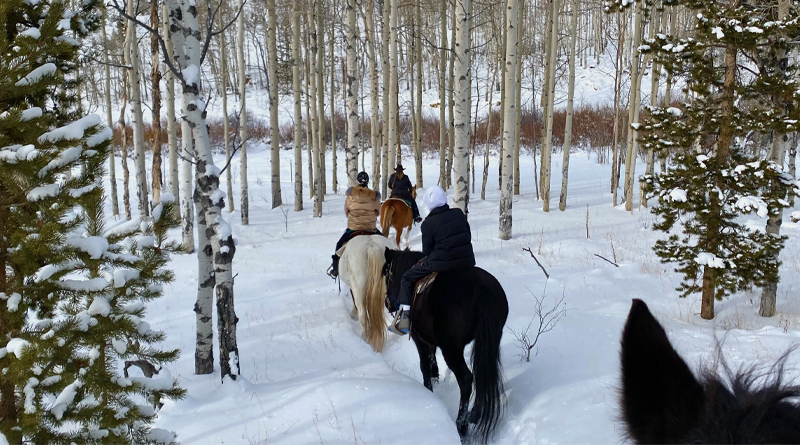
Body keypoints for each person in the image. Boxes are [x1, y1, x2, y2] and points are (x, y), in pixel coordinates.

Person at [389, 185, 475, 335]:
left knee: (407, 278)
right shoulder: (459, 213)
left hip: (440, 265)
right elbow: (467, 235)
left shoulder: (428, 223)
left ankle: (405, 318)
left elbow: (427, 252)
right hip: (466, 261)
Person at [327, 172, 382, 279]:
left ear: (357, 181)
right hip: (371, 229)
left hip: (353, 229)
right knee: (386, 243)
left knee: (339, 245)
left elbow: (346, 211)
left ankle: (335, 269)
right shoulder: (374, 196)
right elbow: (377, 212)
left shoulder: (350, 195)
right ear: (367, 182)